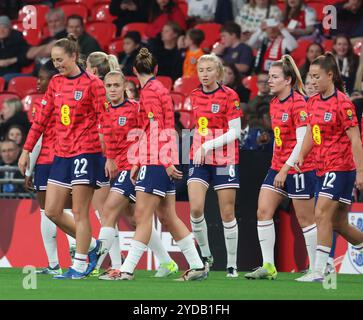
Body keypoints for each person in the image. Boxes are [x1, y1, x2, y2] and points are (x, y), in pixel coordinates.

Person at [18, 34, 118, 279]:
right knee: (51, 210)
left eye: (60, 60)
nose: (57, 65)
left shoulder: (93, 84)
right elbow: (41, 119)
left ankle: (81, 264)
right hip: (61, 154)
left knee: (80, 210)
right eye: (54, 61)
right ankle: (94, 247)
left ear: (74, 57)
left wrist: (111, 155)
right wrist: (26, 150)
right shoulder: (55, 83)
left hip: (87, 151)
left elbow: (106, 120)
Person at [116, 47, 207, 281]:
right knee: (168, 216)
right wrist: (138, 160)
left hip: (157, 159)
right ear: (156, 69)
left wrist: (165, 161)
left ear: (134, 71)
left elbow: (158, 128)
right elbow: (157, 128)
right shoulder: (160, 88)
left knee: (142, 215)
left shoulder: (148, 92)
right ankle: (197, 265)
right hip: (158, 157)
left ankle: (126, 269)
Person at [95, 70, 180, 279]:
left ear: (125, 87)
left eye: (116, 85)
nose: (112, 89)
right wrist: (109, 158)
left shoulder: (135, 108)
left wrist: (139, 160)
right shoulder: (105, 110)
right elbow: (108, 138)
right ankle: (167, 262)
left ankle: (92, 264)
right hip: (121, 167)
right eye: (109, 86)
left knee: (108, 211)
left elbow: (147, 133)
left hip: (133, 167)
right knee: (135, 219)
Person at [244, 55, 317, 280]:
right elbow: (281, 139)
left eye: (274, 77)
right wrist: (278, 164)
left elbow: (303, 140)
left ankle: (317, 268)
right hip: (278, 166)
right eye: (269, 77)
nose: (269, 81)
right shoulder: (274, 103)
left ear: (288, 80)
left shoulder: (299, 103)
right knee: (263, 211)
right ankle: (268, 266)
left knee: (305, 219)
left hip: (299, 167)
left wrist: (286, 168)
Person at [294, 52, 363, 282]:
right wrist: (302, 155)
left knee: (320, 213)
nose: (311, 81)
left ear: (330, 76)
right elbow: (311, 135)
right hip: (321, 167)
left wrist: (361, 172)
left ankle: (320, 270)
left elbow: (355, 139)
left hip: (341, 167)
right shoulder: (312, 101)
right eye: (310, 76)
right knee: (339, 223)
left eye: (316, 76)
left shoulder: (343, 103)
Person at [187, 54, 242, 277]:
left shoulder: (230, 96)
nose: (205, 74)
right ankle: (207, 257)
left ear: (218, 72)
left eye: (210, 70)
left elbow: (235, 131)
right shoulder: (193, 95)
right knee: (195, 208)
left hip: (225, 158)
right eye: (201, 70)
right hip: (199, 158)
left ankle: (232, 264)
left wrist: (208, 145)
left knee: (227, 213)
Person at [23, 60, 76, 275]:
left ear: (53, 80)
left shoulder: (44, 105)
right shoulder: (67, 101)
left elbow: (38, 139)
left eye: (42, 78)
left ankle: (56, 262)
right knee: (67, 210)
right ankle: (78, 254)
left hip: (47, 161)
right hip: (67, 160)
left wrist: (29, 170)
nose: (37, 83)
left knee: (48, 212)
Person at [85, 51, 124, 276]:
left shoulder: (98, 93)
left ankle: (112, 264)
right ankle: (166, 260)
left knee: (106, 213)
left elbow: (104, 130)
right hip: (109, 156)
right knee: (120, 213)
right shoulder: (105, 92)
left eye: (87, 67)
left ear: (94, 71)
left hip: (105, 156)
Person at [0, 15, 32, 80]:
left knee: (7, 78)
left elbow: (27, 58)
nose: (1, 31)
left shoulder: (18, 40)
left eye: (5, 27)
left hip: (12, 74)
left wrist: (12, 60)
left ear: (10, 29)